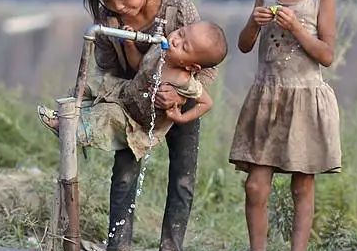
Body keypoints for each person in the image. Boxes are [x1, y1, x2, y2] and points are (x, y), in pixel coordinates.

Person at [79, 0, 217, 251]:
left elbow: (207, 65)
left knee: (182, 177)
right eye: (108, 1)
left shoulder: (177, 7)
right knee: (125, 173)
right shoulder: (109, 17)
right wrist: (131, 64)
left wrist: (176, 95)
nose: (117, 7)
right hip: (134, 104)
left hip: (179, 102)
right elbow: (108, 68)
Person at [224, 0, 342, 251]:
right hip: (267, 96)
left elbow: (326, 54)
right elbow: (244, 45)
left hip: (304, 100)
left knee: (301, 185)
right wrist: (255, 23)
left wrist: (296, 28)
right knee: (256, 185)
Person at [37, 21, 227, 160]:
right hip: (127, 91)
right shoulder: (159, 49)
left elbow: (207, 103)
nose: (176, 40)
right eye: (181, 33)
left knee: (107, 115)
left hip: (136, 118)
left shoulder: (184, 80)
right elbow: (139, 65)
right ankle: (67, 110)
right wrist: (129, 45)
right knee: (93, 83)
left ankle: (68, 129)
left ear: (192, 67)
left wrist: (181, 118)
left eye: (184, 46)